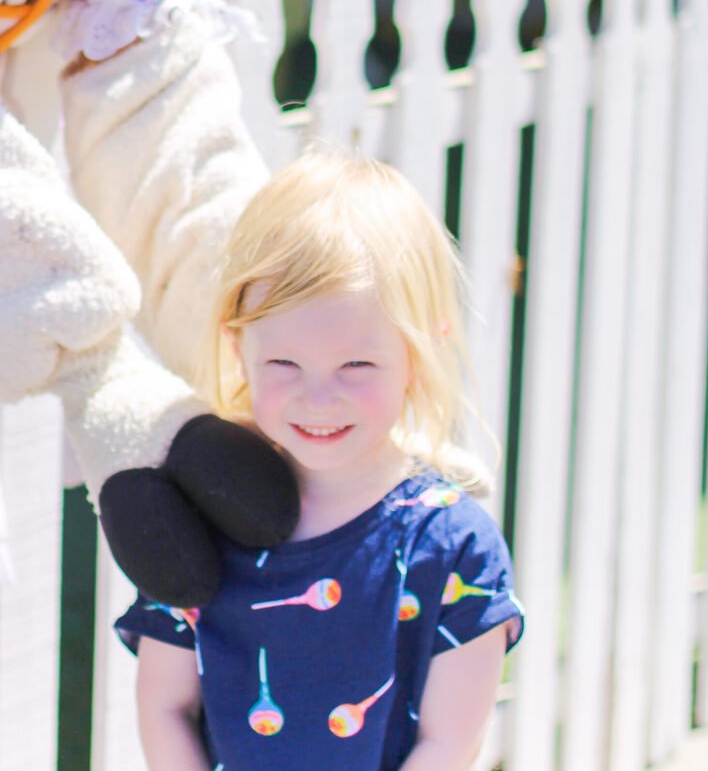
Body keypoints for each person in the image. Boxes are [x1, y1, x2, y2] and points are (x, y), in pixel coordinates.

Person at [116, 148, 524, 770]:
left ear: (421, 351)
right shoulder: (200, 518)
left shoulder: (450, 544)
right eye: (284, 364)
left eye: (356, 365)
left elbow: (451, 744)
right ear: (238, 343)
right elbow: (165, 707)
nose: (319, 397)